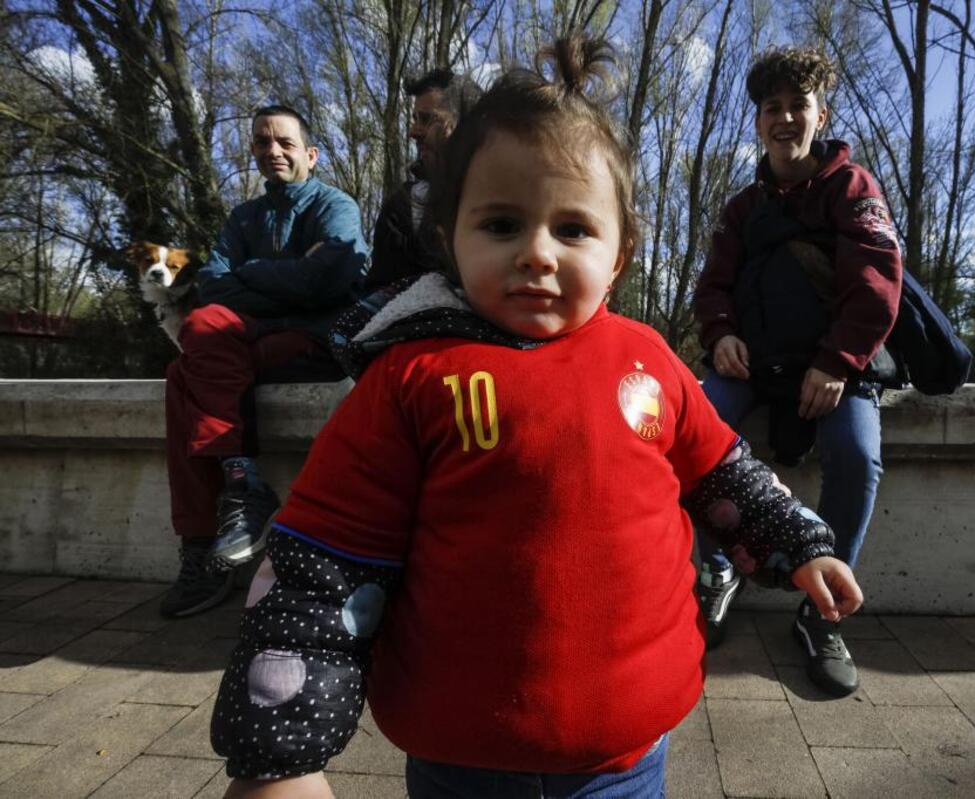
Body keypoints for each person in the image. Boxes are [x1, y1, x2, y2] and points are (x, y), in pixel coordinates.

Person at [210, 37, 863, 799]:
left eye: (574, 229)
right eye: (501, 225)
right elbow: (318, 566)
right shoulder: (412, 376)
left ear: (619, 255)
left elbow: (724, 472)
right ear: (450, 241)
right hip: (464, 760)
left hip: (628, 756)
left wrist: (797, 544)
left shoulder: (648, 361)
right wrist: (280, 753)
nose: (537, 254)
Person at [692, 48, 902, 698]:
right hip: (756, 363)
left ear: (820, 114)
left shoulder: (852, 188)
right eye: (772, 108)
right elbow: (713, 285)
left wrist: (837, 361)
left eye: (797, 106)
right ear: (758, 121)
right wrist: (721, 332)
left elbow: (877, 284)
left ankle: (821, 609)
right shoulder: (743, 207)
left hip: (838, 366)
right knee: (690, 426)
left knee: (856, 454)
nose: (785, 118)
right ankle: (716, 569)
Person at [160, 104, 369, 619]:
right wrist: (287, 278)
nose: (272, 151)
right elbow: (211, 284)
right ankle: (235, 494)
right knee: (193, 349)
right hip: (250, 340)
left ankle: (209, 543)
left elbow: (329, 279)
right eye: (261, 142)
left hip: (310, 341)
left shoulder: (334, 205)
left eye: (284, 143)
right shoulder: (244, 216)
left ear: (311, 154)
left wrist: (250, 275)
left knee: (188, 369)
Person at [366, 68, 481, 288]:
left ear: (467, 124)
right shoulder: (403, 207)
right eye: (415, 119)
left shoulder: (509, 194)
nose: (413, 131)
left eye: (428, 120)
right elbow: (381, 296)